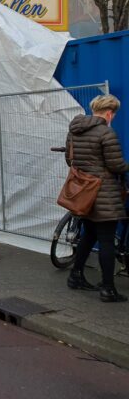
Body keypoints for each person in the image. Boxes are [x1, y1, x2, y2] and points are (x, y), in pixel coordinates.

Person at [64, 95, 129, 302]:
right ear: (109, 113)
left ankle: (75, 276)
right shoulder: (106, 133)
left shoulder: (74, 131)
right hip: (104, 194)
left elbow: (69, 159)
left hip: (83, 194)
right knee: (106, 240)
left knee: (89, 234)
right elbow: (116, 166)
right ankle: (108, 289)